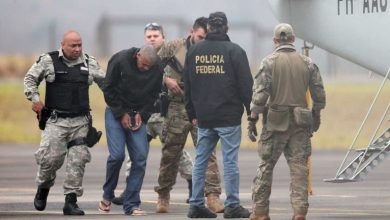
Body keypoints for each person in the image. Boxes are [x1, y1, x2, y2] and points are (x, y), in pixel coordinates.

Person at [247, 23, 326, 220]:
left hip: (274, 123)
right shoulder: (307, 63)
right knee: (299, 167)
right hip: (301, 123)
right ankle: (299, 211)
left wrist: (252, 119)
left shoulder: (268, 62)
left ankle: (260, 211)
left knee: (265, 166)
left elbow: (260, 97)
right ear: (293, 39)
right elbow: (319, 95)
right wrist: (316, 116)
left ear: (275, 41)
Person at [110, 22, 195, 205]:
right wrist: (165, 79)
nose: (152, 39)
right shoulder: (140, 59)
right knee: (135, 151)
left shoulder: (173, 54)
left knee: (176, 152)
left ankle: (193, 183)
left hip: (167, 113)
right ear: (144, 39)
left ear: (163, 37)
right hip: (146, 113)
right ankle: (129, 190)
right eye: (149, 36)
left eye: (156, 35)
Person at [23, 30, 105, 215]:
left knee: (78, 160)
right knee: (50, 160)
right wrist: (35, 99)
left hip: (80, 122)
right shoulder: (48, 60)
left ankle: (71, 201)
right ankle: (43, 187)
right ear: (63, 45)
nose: (77, 49)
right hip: (55, 121)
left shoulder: (89, 62)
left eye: (80, 45)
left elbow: (106, 83)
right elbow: (30, 79)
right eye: (73, 45)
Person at [184, 12, 253, 218]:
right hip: (228, 116)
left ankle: (196, 204)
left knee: (200, 161)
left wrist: (191, 112)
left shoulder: (194, 51)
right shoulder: (235, 51)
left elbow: (188, 85)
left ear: (208, 29)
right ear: (226, 28)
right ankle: (232, 205)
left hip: (204, 116)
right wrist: (251, 113)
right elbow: (245, 86)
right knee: (230, 161)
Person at [154, 17, 224, 214]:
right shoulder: (174, 47)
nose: (203, 41)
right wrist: (166, 80)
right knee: (171, 153)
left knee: (208, 152)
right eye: (200, 36)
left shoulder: (212, 50)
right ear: (191, 31)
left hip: (201, 107)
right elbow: (151, 68)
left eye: (206, 37)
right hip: (177, 106)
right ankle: (163, 194)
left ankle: (212, 196)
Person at [99, 44, 162, 216]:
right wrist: (121, 114)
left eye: (149, 66)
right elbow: (108, 88)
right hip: (115, 111)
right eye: (144, 65)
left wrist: (143, 114)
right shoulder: (120, 59)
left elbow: (154, 95)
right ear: (138, 55)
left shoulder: (157, 68)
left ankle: (132, 204)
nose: (146, 69)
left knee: (140, 157)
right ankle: (107, 194)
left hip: (138, 113)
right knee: (117, 155)